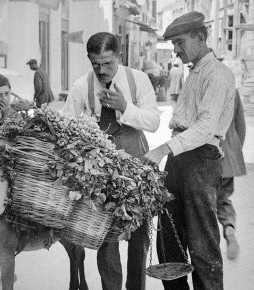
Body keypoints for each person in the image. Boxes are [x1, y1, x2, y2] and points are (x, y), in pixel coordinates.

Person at [143, 12, 236, 290]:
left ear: (200, 37)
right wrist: (169, 154)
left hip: (201, 162)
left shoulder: (218, 75)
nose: (176, 49)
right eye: (173, 44)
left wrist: (162, 149)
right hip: (179, 161)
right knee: (168, 244)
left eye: (180, 42)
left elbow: (206, 127)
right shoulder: (193, 71)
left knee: (202, 249)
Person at [62, 32, 161, 290]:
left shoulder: (138, 80)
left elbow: (153, 122)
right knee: (106, 237)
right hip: (100, 175)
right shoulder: (81, 86)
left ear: (119, 56)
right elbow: (66, 127)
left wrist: (125, 107)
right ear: (89, 60)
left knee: (139, 237)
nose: (102, 70)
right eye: (96, 64)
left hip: (137, 170)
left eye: (108, 63)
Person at [218, 89, 246, 260]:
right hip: (227, 155)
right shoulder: (232, 91)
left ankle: (210, 246)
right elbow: (240, 127)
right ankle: (229, 228)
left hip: (204, 157)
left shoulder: (198, 86)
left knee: (203, 207)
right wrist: (234, 152)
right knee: (223, 199)